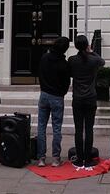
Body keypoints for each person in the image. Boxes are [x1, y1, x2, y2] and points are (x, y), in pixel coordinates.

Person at [68, 34, 105, 170]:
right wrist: (91, 51)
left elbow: (70, 73)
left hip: (77, 98)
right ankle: (88, 159)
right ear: (87, 45)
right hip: (90, 98)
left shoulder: (72, 60)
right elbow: (102, 61)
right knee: (89, 129)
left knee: (78, 129)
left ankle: (79, 158)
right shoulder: (93, 60)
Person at [36, 36, 71, 167]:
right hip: (57, 97)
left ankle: (41, 158)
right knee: (56, 128)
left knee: (41, 127)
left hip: (44, 94)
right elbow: (66, 83)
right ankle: (56, 158)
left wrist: (43, 87)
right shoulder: (64, 64)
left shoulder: (44, 58)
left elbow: (39, 73)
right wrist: (62, 93)